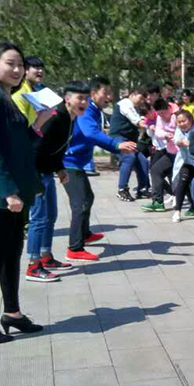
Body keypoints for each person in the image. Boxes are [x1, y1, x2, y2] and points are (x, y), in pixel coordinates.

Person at [0, 43, 43, 341]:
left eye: (20, 65)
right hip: (1, 190)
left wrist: (39, 123)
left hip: (15, 186)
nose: (17, 70)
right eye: (10, 64)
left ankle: (12, 313)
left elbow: (19, 142)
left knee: (12, 252)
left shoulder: (7, 96)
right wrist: (8, 193)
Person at [62, 77, 137, 261]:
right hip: (68, 162)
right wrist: (116, 145)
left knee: (88, 197)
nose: (109, 97)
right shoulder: (87, 109)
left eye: (110, 93)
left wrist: (115, 147)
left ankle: (85, 234)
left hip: (76, 162)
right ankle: (74, 248)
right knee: (80, 203)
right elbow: (91, 133)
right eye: (106, 93)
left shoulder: (93, 109)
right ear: (93, 93)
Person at [26, 81, 91, 281]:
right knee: (38, 219)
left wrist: (59, 168)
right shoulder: (55, 117)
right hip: (36, 172)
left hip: (47, 171)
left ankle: (45, 256)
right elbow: (35, 146)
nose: (84, 102)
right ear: (67, 99)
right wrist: (34, 176)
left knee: (51, 216)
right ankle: (33, 265)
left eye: (86, 99)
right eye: (80, 98)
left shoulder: (70, 118)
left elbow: (56, 148)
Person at [111, 88, 149, 201]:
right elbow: (136, 120)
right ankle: (122, 190)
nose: (141, 101)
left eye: (143, 99)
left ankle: (142, 189)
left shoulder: (135, 107)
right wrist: (154, 127)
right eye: (140, 98)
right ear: (132, 95)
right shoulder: (125, 103)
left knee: (142, 161)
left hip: (129, 140)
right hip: (118, 138)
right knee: (129, 157)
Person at [142, 98, 178, 212]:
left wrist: (176, 137)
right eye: (159, 114)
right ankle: (158, 202)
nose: (161, 116)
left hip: (181, 153)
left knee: (181, 179)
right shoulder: (159, 118)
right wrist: (165, 135)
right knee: (155, 170)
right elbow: (158, 132)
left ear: (168, 108)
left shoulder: (177, 116)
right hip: (170, 152)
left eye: (163, 113)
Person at [169, 108, 194, 222]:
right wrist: (180, 142)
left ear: (190, 120)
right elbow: (176, 140)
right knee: (182, 179)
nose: (182, 124)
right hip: (186, 161)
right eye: (179, 122)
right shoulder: (179, 130)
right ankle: (177, 211)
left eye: (184, 121)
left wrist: (190, 143)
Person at [12, 56, 45, 126]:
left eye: (42, 68)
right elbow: (19, 124)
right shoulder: (21, 93)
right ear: (25, 70)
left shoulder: (33, 91)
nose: (41, 71)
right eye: (36, 67)